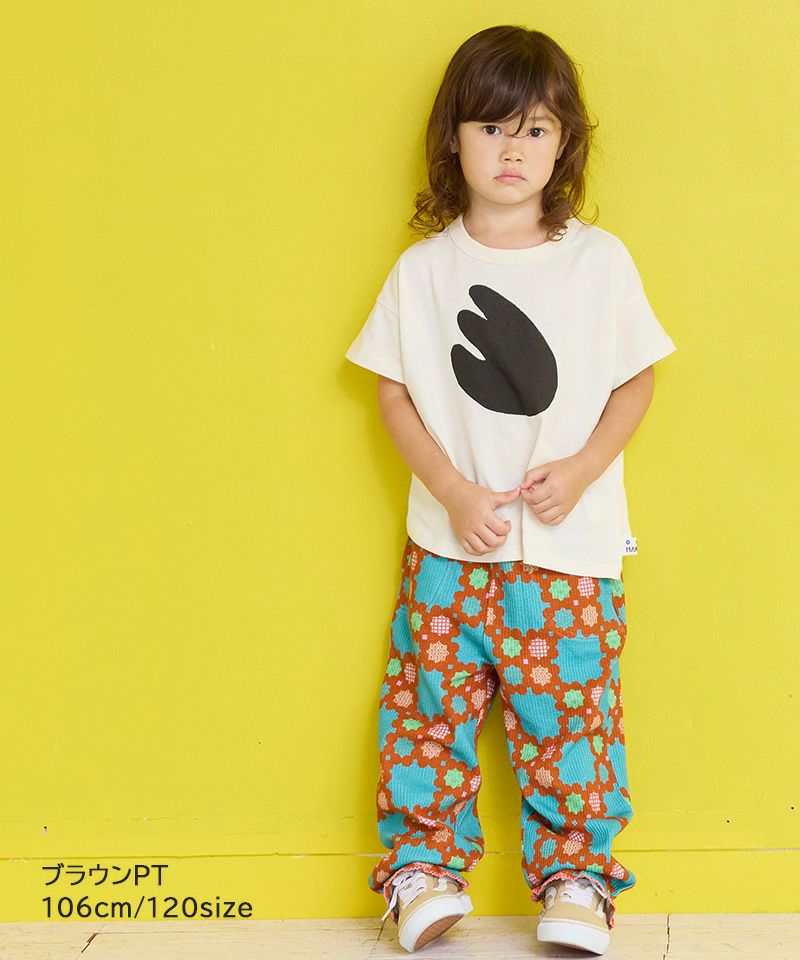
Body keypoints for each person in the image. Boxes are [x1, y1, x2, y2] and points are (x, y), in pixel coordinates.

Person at [345, 24, 676, 956]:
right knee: (428, 710)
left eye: (534, 129)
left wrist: (582, 469)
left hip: (569, 552)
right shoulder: (423, 270)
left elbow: (637, 379)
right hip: (449, 551)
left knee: (571, 720)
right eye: (491, 128)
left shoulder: (598, 261)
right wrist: (452, 489)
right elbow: (392, 391)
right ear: (453, 138)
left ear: (564, 143)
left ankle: (577, 878)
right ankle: (422, 870)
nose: (511, 150)